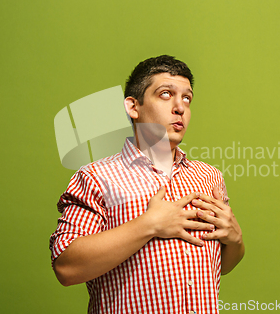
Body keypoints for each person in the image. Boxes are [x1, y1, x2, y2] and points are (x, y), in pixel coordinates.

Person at [49, 55, 245, 313]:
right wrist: (150, 224)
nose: (180, 108)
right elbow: (66, 267)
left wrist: (236, 241)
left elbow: (216, 265)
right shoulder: (97, 177)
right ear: (133, 107)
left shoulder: (208, 176)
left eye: (187, 98)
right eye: (165, 94)